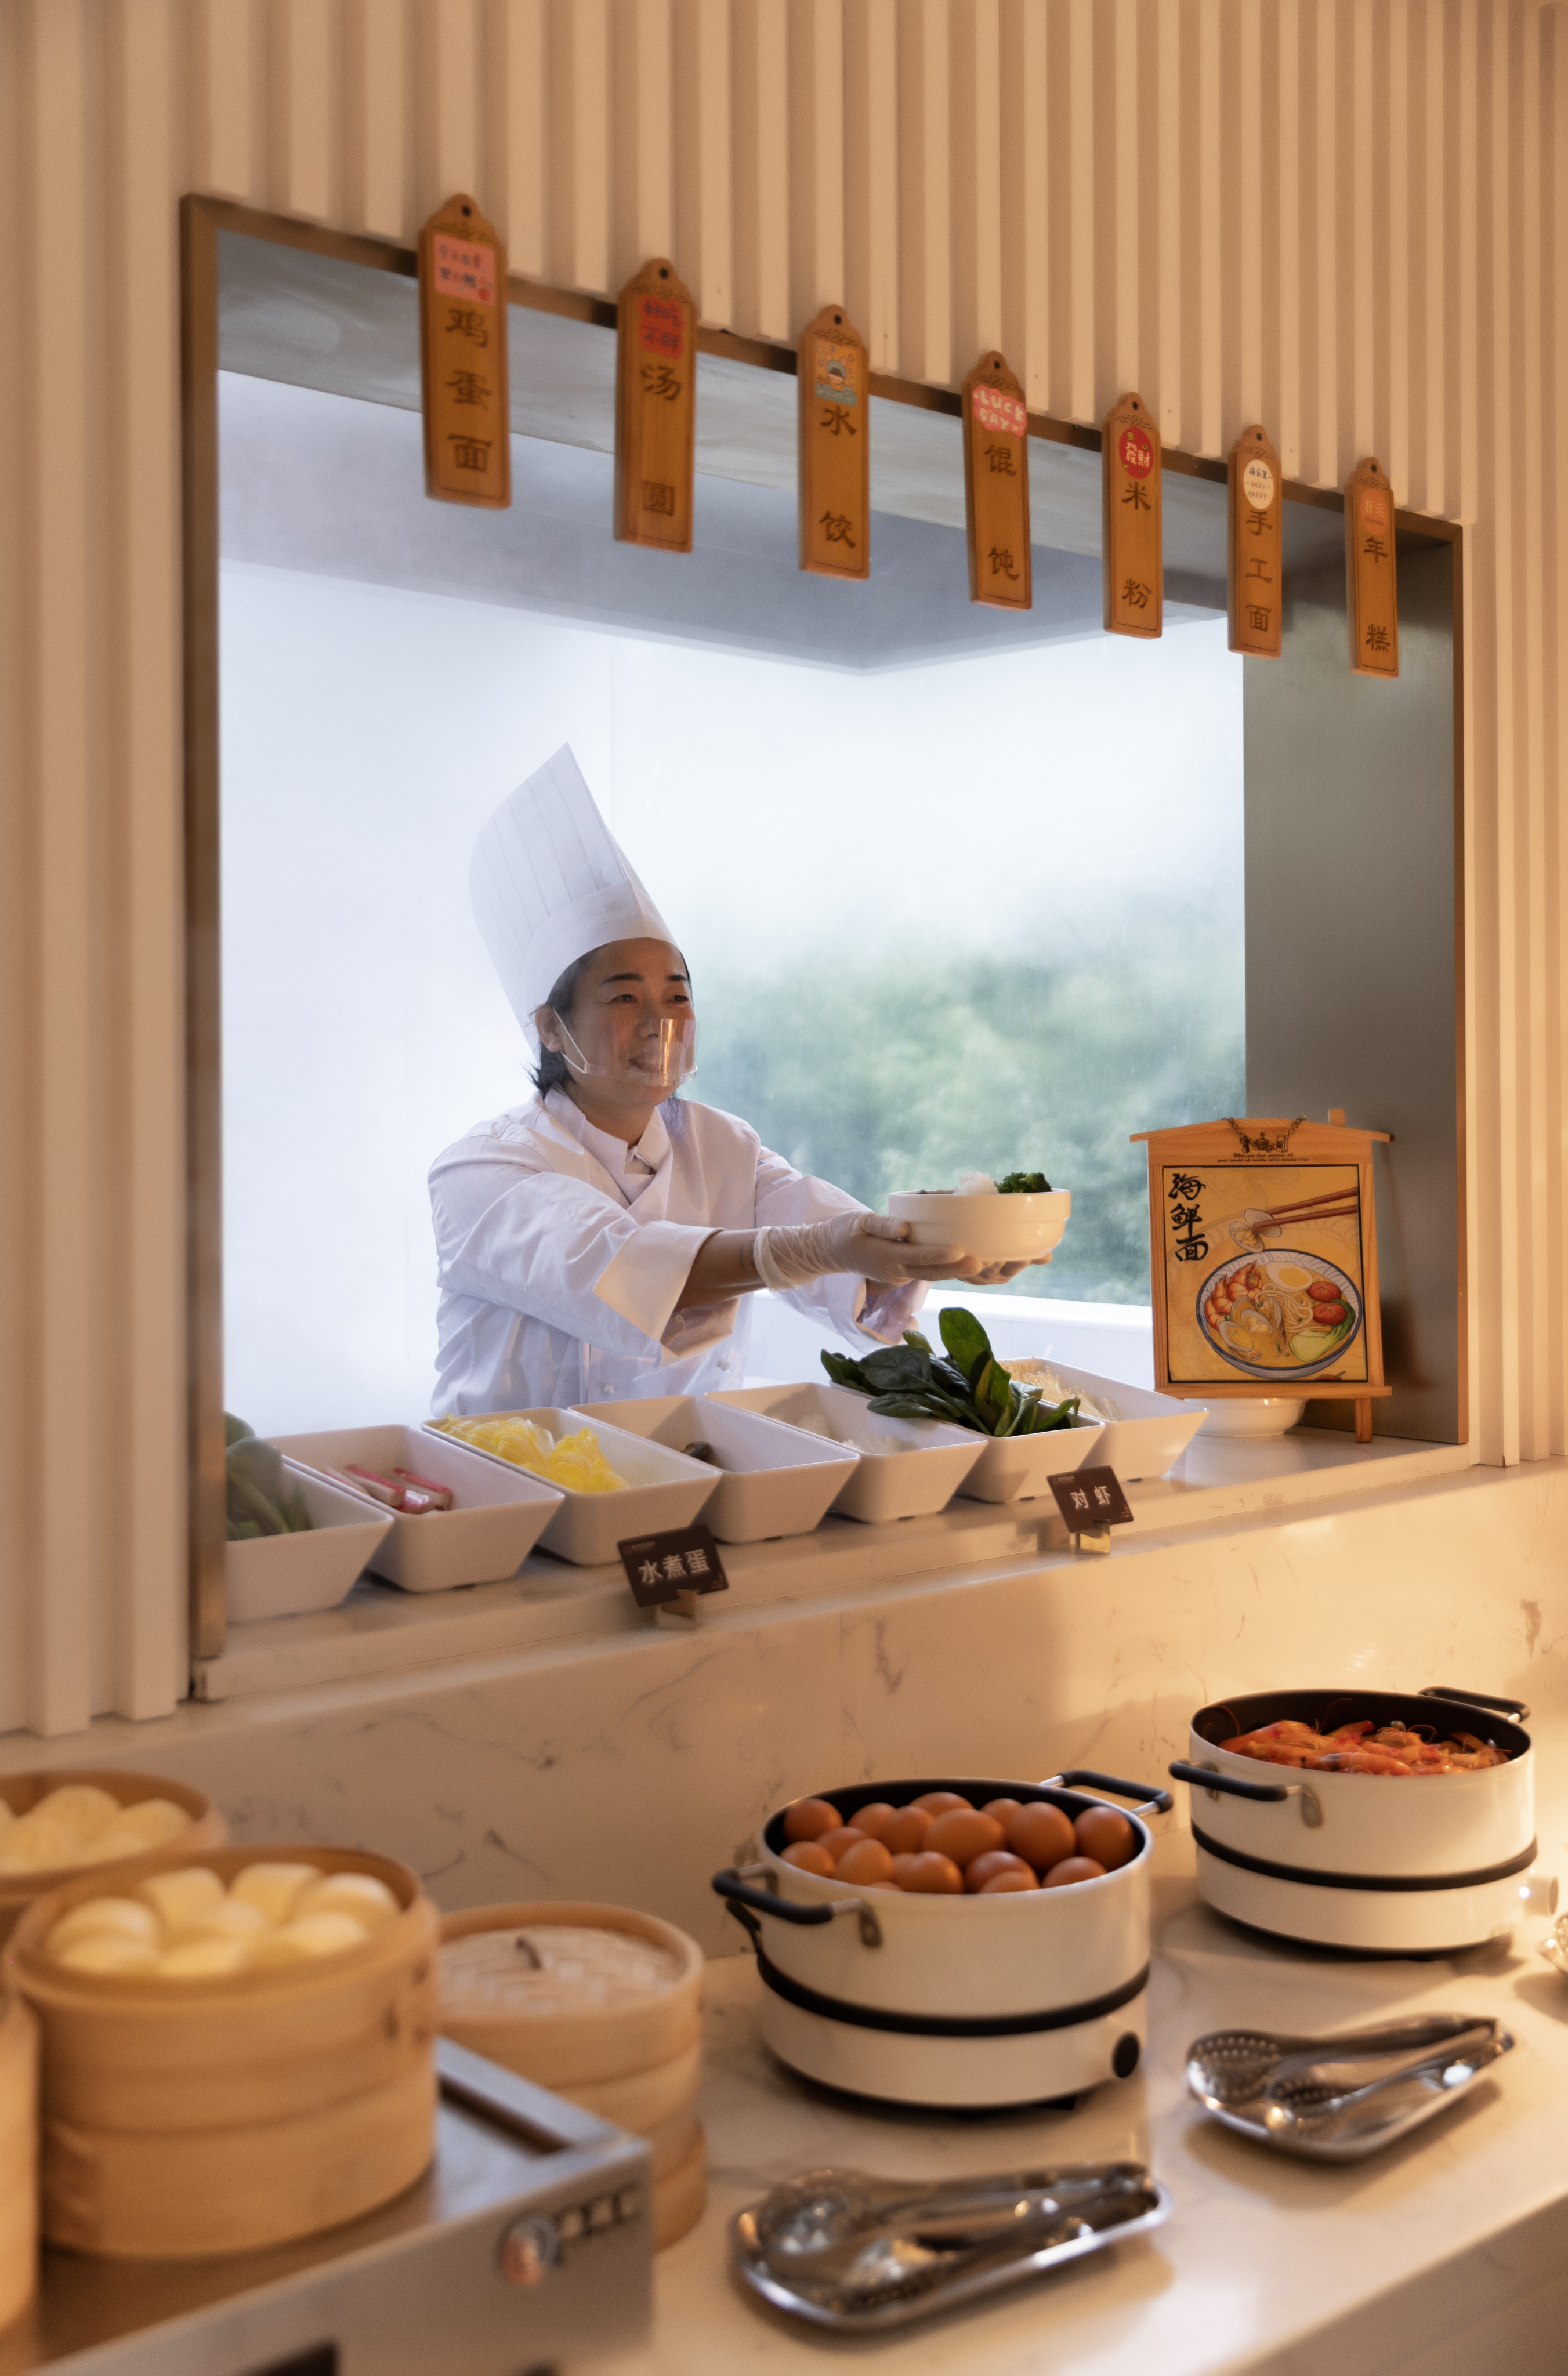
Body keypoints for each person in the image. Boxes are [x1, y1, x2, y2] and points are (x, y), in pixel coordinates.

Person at [429, 748, 1035, 1414]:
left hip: (688, 1466)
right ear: (551, 1026)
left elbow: (843, 1244)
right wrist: (815, 1248)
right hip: (510, 1470)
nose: (660, 1023)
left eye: (677, 995)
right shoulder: (481, 1171)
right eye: (625, 997)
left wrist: (943, 1242)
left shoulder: (725, 1147)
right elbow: (616, 1266)